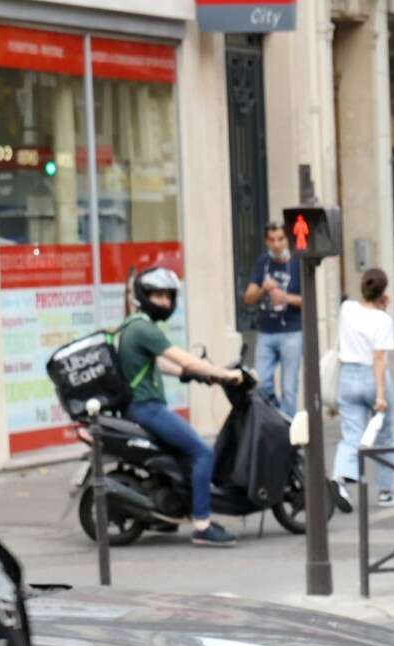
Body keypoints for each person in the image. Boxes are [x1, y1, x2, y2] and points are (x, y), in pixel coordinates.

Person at [115, 267, 246, 547]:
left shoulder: (132, 326)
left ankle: (177, 507)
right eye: (158, 296)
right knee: (201, 453)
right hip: (147, 408)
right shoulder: (144, 329)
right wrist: (225, 374)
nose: (164, 302)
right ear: (143, 296)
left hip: (140, 406)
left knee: (185, 454)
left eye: (168, 296)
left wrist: (194, 375)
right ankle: (202, 525)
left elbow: (159, 364)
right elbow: (183, 358)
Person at [332, 268, 394, 509]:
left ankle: (340, 479)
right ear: (384, 293)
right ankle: (386, 491)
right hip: (373, 377)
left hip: (348, 376)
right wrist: (380, 394)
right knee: (385, 436)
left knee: (352, 435)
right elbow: (379, 358)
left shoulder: (347, 309)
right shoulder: (383, 320)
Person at [242, 223, 301, 417]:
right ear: (266, 241)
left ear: (287, 240)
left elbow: (308, 301)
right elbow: (248, 297)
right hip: (266, 332)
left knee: (289, 388)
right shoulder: (263, 262)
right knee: (262, 384)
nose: (276, 244)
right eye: (272, 240)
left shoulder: (297, 263)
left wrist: (286, 298)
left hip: (291, 332)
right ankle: (278, 418)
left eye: (280, 239)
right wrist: (263, 289)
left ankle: (289, 431)